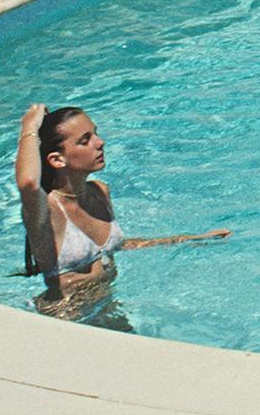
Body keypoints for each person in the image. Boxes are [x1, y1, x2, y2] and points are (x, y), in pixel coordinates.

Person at [14, 104, 230, 313]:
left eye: (95, 133)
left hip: (106, 307)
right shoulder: (48, 209)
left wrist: (192, 239)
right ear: (57, 159)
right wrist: (29, 126)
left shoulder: (99, 193)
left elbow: (120, 246)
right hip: (65, 317)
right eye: (85, 140)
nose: (100, 143)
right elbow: (29, 183)